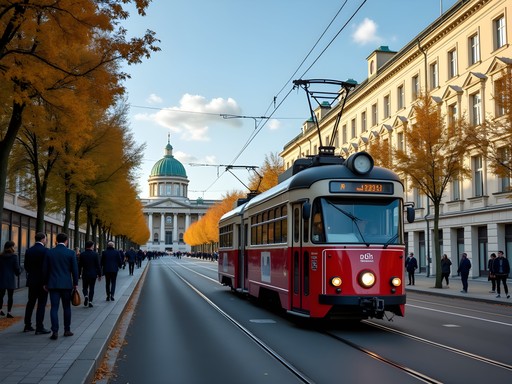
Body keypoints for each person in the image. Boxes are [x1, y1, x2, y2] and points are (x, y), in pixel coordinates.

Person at [43, 233, 78, 340]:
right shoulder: (71, 253)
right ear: (66, 241)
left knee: (54, 308)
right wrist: (75, 283)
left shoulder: (50, 252)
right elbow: (75, 270)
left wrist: (45, 283)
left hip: (53, 284)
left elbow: (45, 269)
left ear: (56, 240)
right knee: (66, 307)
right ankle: (67, 330)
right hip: (66, 284)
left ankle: (55, 331)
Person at [23, 232, 51, 334]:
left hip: (32, 281)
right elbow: (47, 268)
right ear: (43, 239)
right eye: (46, 239)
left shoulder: (29, 251)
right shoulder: (46, 251)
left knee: (30, 303)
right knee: (41, 304)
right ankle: (39, 326)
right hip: (43, 282)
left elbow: (26, 266)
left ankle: (27, 325)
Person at [0, 241, 21, 318]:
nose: (14, 248)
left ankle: (0, 310)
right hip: (10, 279)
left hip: (1, 278)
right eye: (13, 246)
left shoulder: (0, 256)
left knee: (1, 296)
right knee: (10, 296)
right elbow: (17, 269)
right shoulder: (14, 256)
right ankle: (9, 312)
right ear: (11, 247)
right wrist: (20, 270)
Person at [79, 240, 101, 308]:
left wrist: (79, 274)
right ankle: (90, 301)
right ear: (92, 246)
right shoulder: (95, 254)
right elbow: (98, 265)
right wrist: (99, 275)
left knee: (84, 287)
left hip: (85, 273)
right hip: (93, 274)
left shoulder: (82, 254)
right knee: (92, 288)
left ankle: (86, 296)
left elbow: (80, 265)